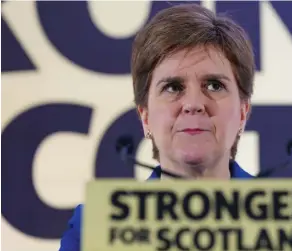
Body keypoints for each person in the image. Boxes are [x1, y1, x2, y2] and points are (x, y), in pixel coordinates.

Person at [59, 3, 255, 251]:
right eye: (173, 87)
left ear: (242, 112)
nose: (194, 104)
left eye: (214, 85)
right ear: (145, 116)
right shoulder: (95, 227)